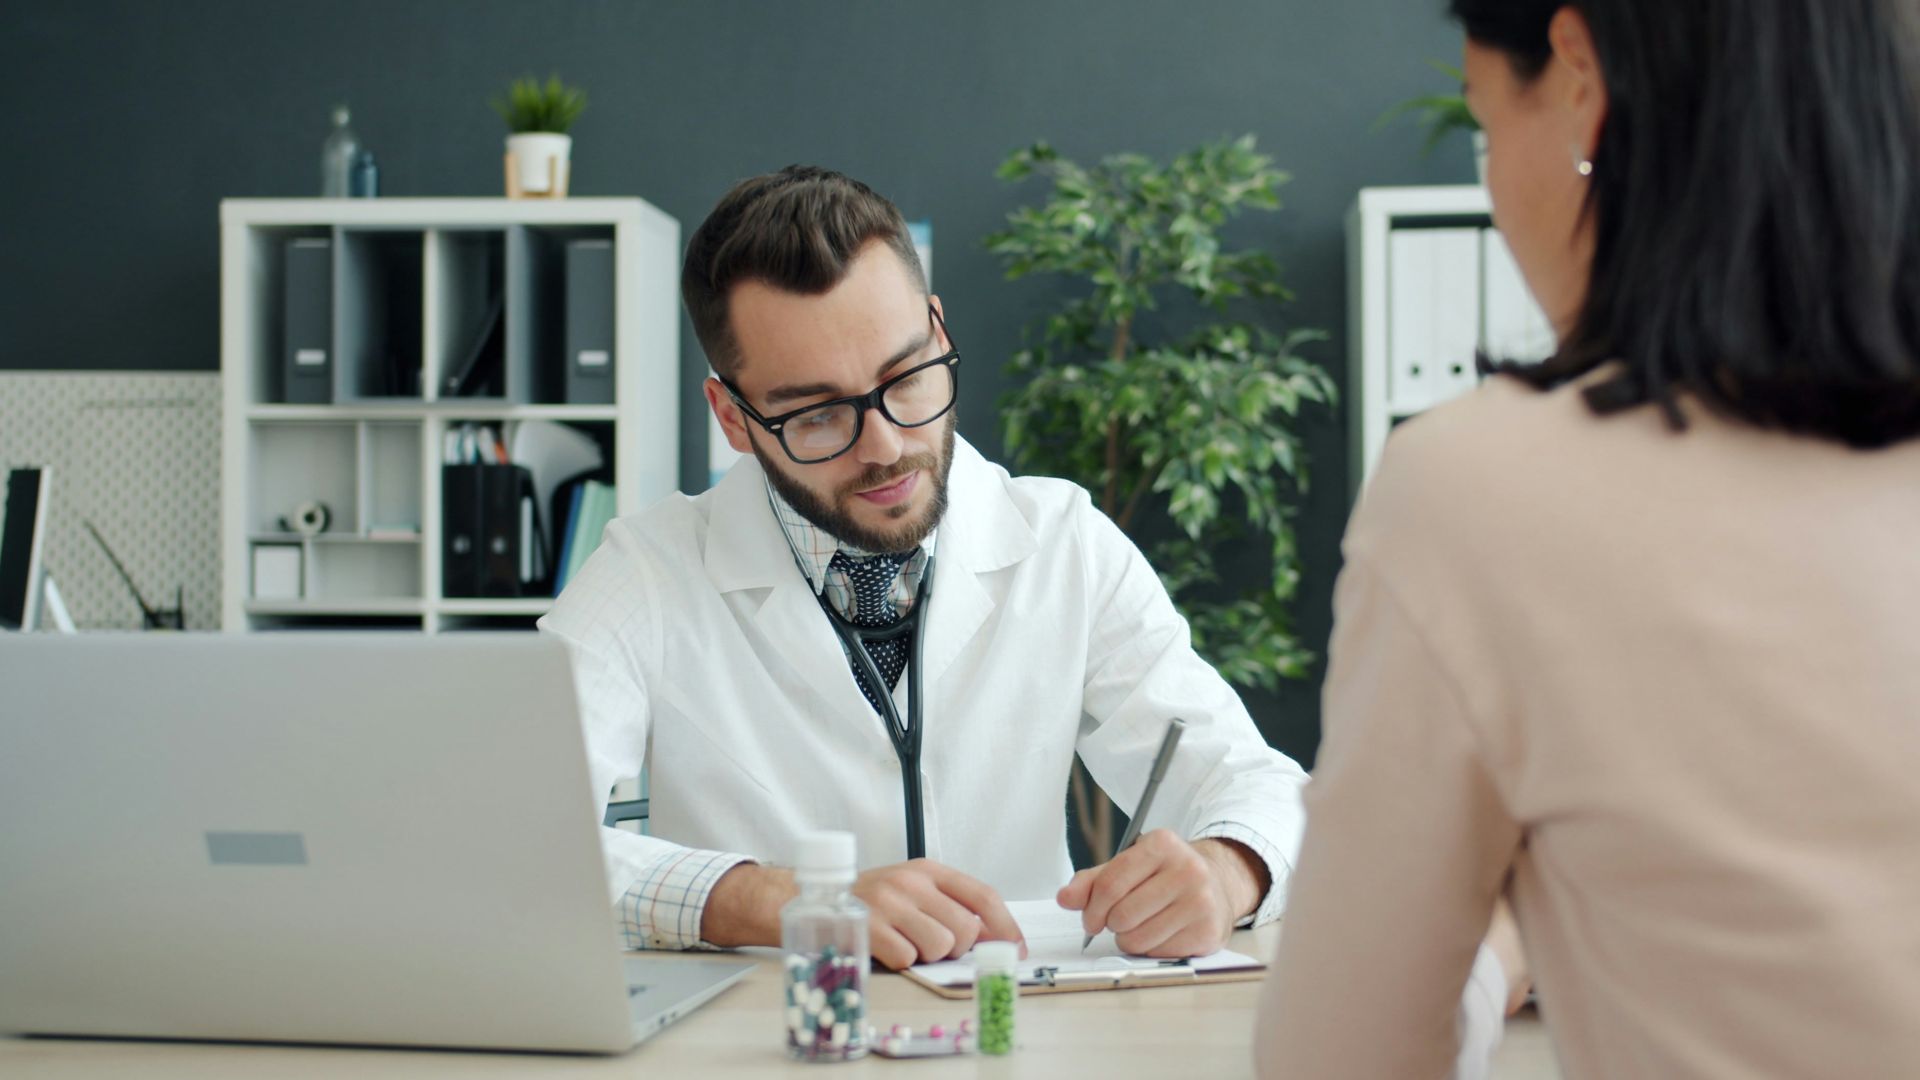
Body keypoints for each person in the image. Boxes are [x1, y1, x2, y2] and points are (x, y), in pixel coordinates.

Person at [1257, 1, 1920, 1076]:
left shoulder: (1477, 495)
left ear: (1578, 78)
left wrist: (1501, 944)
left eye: (1482, 124)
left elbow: (1340, 1057)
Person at [537, 165, 1306, 970]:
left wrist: (1227, 872)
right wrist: (789, 900)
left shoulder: (1063, 542)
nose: (886, 447)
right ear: (734, 416)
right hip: (769, 1042)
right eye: (817, 412)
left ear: (938, 331)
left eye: (905, 379)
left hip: (1018, 1034)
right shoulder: (649, 573)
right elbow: (505, 836)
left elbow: (1257, 782)